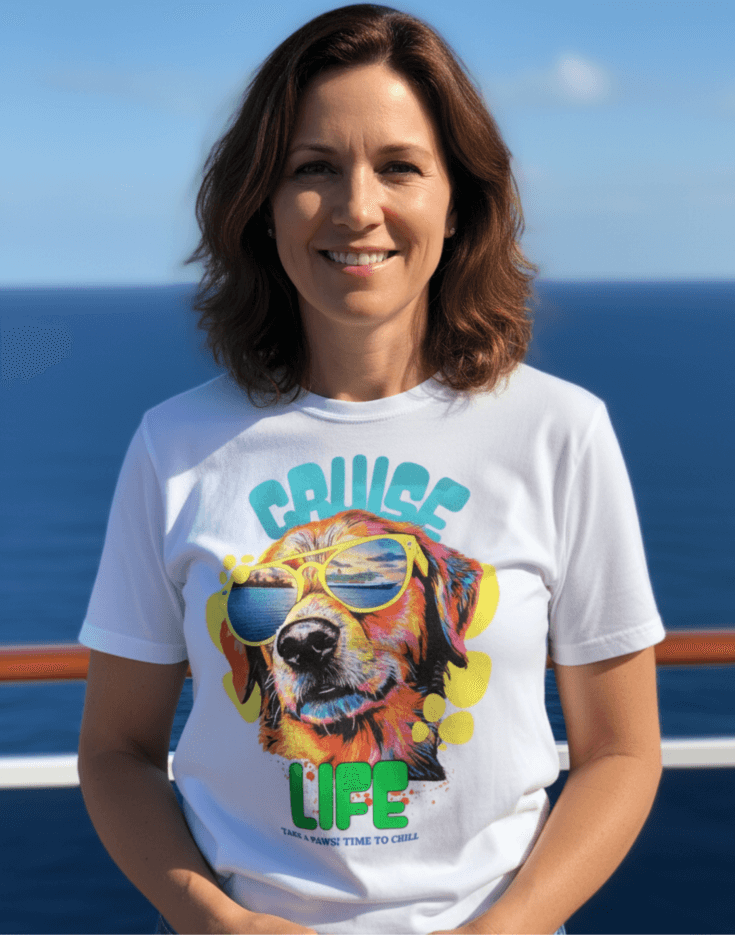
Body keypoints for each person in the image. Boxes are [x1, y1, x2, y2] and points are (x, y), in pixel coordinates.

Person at [77, 5, 665, 934]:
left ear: (456, 200)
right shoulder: (175, 446)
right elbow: (115, 748)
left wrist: (499, 931)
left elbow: (623, 751)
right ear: (262, 210)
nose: (358, 208)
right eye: (312, 168)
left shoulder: (559, 431)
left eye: (398, 166)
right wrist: (218, 922)